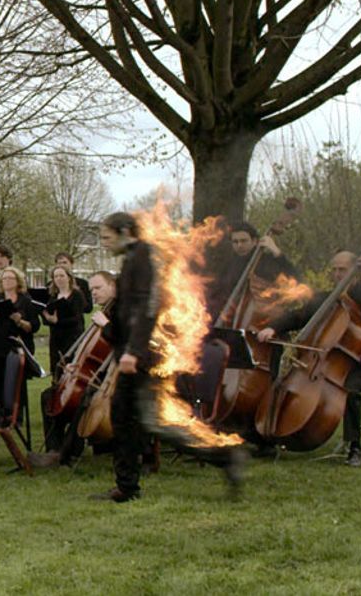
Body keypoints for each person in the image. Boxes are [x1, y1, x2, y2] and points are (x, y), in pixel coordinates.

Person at [98, 212, 246, 503]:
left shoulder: (143, 256)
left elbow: (147, 307)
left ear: (125, 231)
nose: (103, 243)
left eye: (106, 237)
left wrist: (132, 351)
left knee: (153, 422)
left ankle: (226, 457)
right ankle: (126, 487)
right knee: (126, 418)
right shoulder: (131, 258)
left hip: (142, 357)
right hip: (135, 354)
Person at [255, 250, 361, 466]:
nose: (338, 274)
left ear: (355, 272)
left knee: (350, 389)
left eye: (343, 270)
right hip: (328, 366)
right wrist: (272, 328)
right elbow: (298, 316)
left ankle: (354, 447)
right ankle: (270, 437)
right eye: (335, 270)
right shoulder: (324, 299)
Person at [33, 271, 118, 468]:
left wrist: (106, 325)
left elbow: (123, 340)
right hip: (94, 373)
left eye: (98, 288)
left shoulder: (119, 312)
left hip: (112, 378)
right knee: (50, 395)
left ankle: (67, 454)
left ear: (112, 286)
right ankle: (54, 450)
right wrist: (75, 364)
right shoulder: (105, 311)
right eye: (91, 290)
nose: (93, 293)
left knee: (82, 398)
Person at [40, 265, 92, 378]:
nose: (59, 278)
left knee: (70, 370)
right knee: (56, 370)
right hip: (55, 338)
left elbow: (77, 319)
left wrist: (57, 321)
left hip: (72, 338)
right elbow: (46, 317)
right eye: (56, 276)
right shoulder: (52, 296)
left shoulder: (77, 295)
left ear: (68, 277)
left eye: (62, 275)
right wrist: (47, 318)